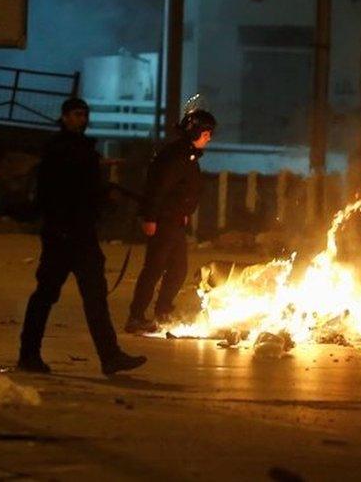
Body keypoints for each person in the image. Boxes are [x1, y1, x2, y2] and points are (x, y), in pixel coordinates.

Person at [18, 98, 147, 375]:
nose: (81, 119)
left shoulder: (82, 150)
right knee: (46, 295)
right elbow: (55, 193)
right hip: (61, 236)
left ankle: (110, 357)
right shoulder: (59, 150)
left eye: (84, 114)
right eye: (76, 114)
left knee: (95, 298)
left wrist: (104, 200)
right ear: (65, 117)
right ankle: (28, 355)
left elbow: (86, 191)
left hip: (81, 235)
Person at [125, 109, 215, 333]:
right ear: (195, 132)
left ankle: (163, 311)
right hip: (163, 220)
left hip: (174, 221)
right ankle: (136, 317)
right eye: (206, 133)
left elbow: (183, 189)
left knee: (178, 269)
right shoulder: (177, 157)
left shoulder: (187, 155)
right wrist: (150, 217)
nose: (209, 138)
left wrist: (183, 211)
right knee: (154, 269)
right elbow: (158, 189)